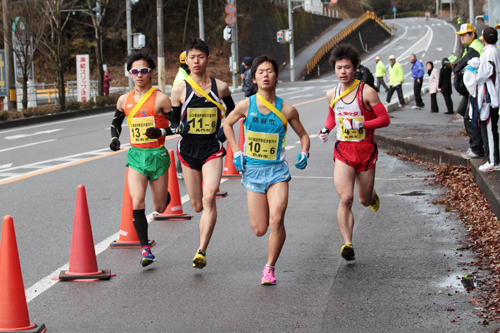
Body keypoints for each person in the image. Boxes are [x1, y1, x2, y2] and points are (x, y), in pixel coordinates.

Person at [223, 55, 310, 285]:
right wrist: (236, 151)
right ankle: (271, 249)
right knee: (260, 229)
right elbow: (226, 124)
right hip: (252, 172)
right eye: (260, 71)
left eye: (269, 71)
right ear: (253, 78)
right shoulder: (245, 105)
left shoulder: (287, 110)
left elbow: (303, 135)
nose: (265, 75)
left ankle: (269, 268)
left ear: (276, 76)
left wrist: (304, 152)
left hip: (277, 173)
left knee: (277, 220)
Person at [318, 44, 390, 261]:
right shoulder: (332, 93)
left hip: (366, 149)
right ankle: (347, 243)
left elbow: (384, 119)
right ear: (334, 69)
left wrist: (361, 125)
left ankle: (372, 195)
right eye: (339, 67)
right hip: (343, 150)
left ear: (356, 67)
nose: (343, 72)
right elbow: (333, 116)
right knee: (346, 198)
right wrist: (326, 129)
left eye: (347, 67)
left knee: (363, 200)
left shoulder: (367, 91)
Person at [170, 38, 236, 269]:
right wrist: (179, 128)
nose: (196, 61)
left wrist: (223, 131)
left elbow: (234, 111)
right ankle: (202, 238)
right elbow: (172, 124)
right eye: (192, 57)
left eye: (201, 57)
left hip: (212, 148)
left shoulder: (221, 87)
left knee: (209, 198)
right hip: (188, 149)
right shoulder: (178, 90)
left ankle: (201, 250)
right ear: (185, 60)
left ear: (208, 59)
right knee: (197, 205)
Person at [109, 49, 172, 267]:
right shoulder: (123, 100)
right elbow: (116, 122)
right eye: (135, 71)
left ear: (151, 72)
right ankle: (145, 249)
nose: (139, 75)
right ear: (129, 73)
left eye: (144, 70)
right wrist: (114, 139)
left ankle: (165, 196)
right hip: (136, 156)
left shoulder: (161, 99)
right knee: (137, 200)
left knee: (160, 206)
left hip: (157, 155)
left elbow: (179, 126)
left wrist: (162, 132)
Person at [464, 27, 500, 171]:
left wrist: (472, 73)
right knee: (491, 129)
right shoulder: (497, 51)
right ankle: (493, 159)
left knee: (489, 129)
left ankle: (493, 161)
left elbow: (482, 75)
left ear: (483, 39)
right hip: (494, 95)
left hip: (489, 97)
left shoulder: (487, 54)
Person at [455, 23, 484, 159]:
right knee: (466, 114)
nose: (461, 38)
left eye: (464, 35)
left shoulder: (475, 48)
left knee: (470, 118)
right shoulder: (470, 48)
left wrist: (457, 65)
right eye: (460, 35)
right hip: (471, 90)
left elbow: (461, 64)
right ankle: (475, 146)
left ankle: (477, 149)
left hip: (476, 90)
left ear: (473, 35)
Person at [173, 51, 191, 180]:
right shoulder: (182, 78)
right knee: (187, 140)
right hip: (184, 114)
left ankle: (181, 169)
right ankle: (180, 169)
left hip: (186, 113)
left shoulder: (183, 74)